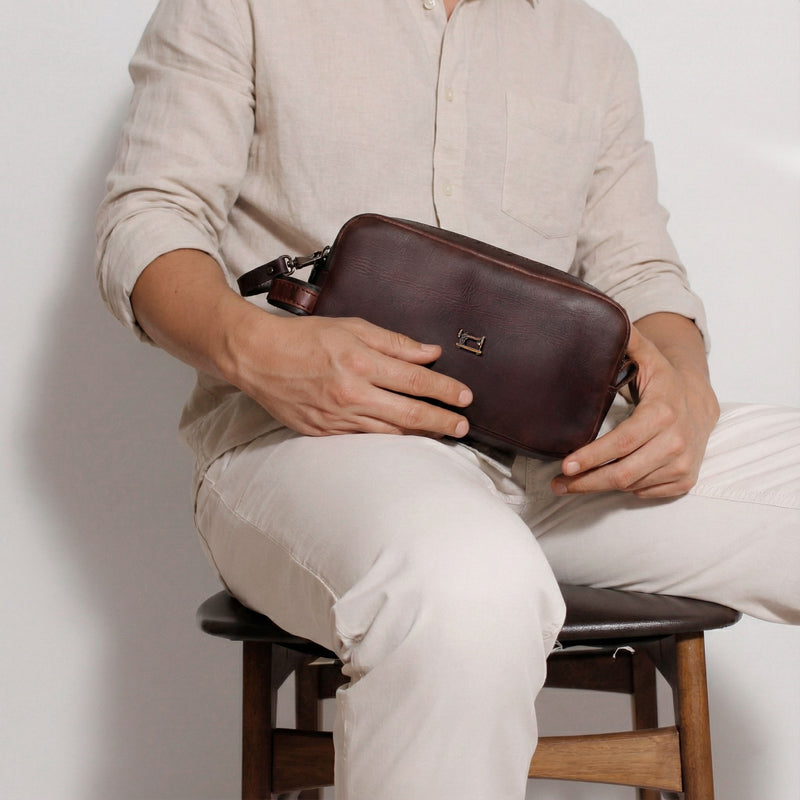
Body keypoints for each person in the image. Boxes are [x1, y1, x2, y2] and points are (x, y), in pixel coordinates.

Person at [96, 1, 800, 797]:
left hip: (565, 455)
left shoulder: (584, 40)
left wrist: (688, 394)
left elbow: (639, 271)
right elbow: (148, 219)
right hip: (319, 446)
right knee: (465, 589)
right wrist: (257, 347)